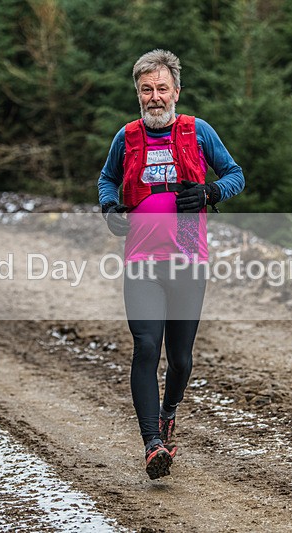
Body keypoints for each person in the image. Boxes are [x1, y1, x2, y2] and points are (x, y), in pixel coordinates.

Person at [97, 49, 244, 480]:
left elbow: (235, 174)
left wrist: (211, 193)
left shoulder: (198, 131)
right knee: (146, 346)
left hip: (187, 260)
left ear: (176, 91)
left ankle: (168, 413)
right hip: (141, 260)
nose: (155, 97)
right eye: (147, 90)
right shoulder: (127, 137)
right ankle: (152, 444)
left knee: (180, 360)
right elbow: (107, 178)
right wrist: (109, 207)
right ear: (138, 94)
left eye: (162, 88)